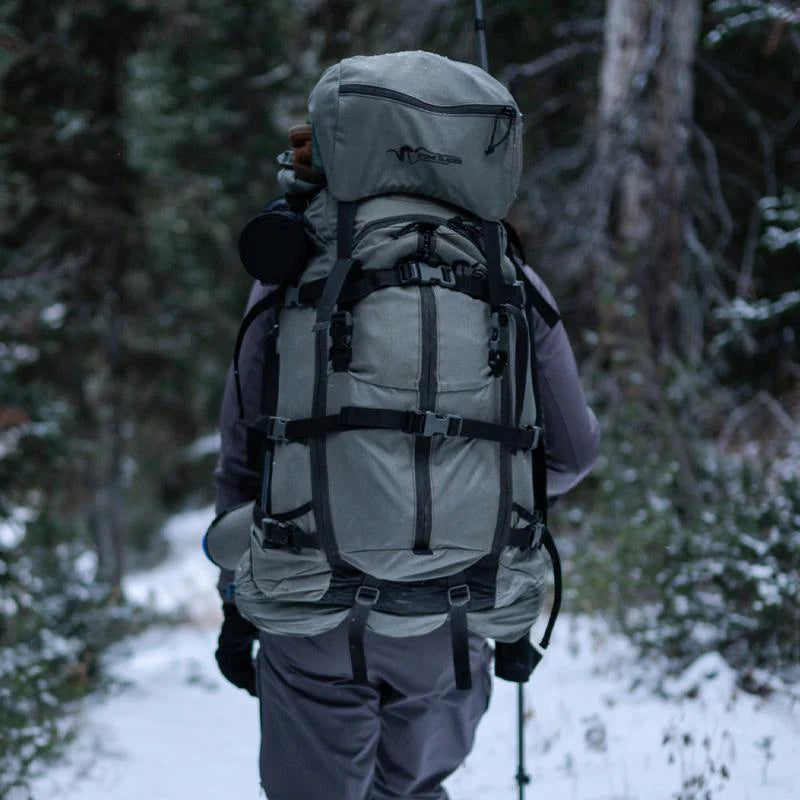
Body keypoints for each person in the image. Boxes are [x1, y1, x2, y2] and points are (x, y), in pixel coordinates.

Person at [211, 53, 599, 800]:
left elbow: (243, 459)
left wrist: (236, 601)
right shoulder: (509, 278)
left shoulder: (293, 270)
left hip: (309, 608)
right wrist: (474, 489)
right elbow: (573, 453)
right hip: (454, 614)